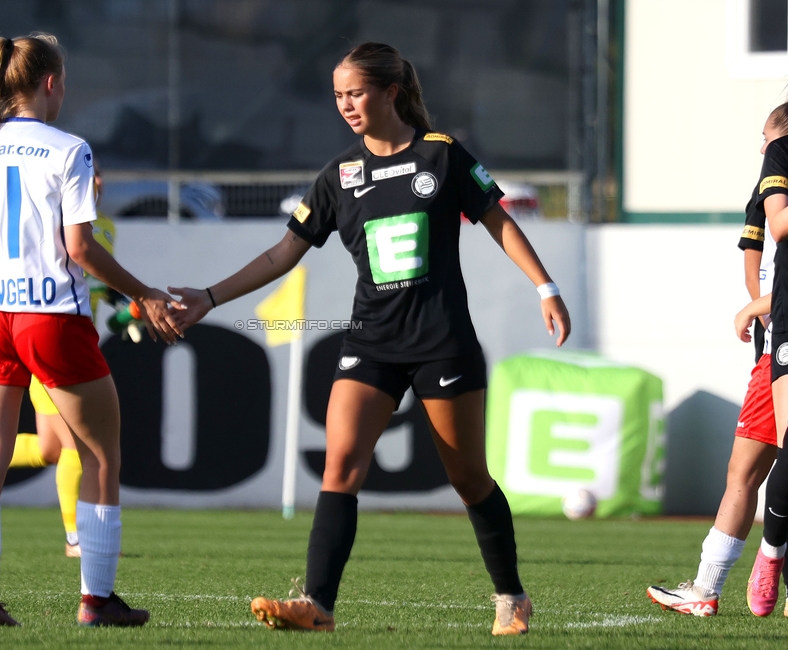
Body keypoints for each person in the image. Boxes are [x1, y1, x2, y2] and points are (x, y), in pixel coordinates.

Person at [169, 42, 570, 636]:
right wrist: (209, 296)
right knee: (341, 468)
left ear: (392, 93)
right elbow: (284, 252)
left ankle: (511, 596)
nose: (346, 105)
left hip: (443, 344)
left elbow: (498, 220)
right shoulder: (338, 176)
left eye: (355, 92)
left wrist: (545, 287)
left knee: (468, 478)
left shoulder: (442, 156)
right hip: (370, 344)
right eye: (337, 95)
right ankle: (317, 605)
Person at [0, 32, 181, 627]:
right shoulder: (67, 148)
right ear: (51, 83)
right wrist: (145, 293)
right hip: (48, 315)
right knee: (101, 455)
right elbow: (79, 247)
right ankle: (96, 601)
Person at [0, 161, 140, 560]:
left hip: (72, 340)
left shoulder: (106, 229)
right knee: (77, 449)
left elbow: (100, 291)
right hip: (48, 338)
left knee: (49, 448)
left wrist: (127, 312)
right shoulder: (49, 219)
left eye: (100, 174)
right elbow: (77, 265)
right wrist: (137, 295)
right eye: (90, 173)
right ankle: (75, 538)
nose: (97, 180)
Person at [645, 104, 788, 617]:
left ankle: (708, 587)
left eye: (769, 138)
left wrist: (762, 308)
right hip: (775, 341)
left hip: (780, 351)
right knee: (747, 472)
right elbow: (760, 268)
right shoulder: (763, 196)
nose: (762, 148)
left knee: (744, 473)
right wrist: (763, 308)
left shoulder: (775, 183)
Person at [746, 98, 788, 618]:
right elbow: (778, 226)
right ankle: (772, 551)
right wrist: (759, 305)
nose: (762, 144)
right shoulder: (783, 150)